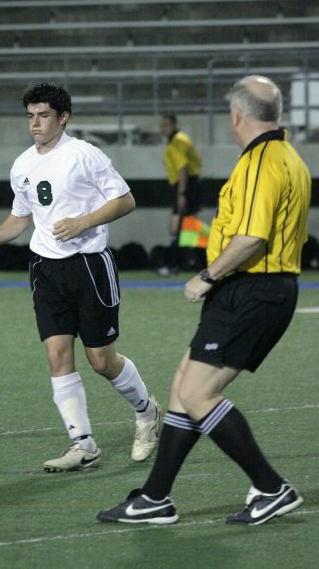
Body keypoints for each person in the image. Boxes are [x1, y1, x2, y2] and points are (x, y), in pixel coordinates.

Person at [97, 75, 311, 525]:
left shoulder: (261, 161)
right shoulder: (288, 155)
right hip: (257, 289)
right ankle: (156, 498)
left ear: (237, 116)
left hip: (252, 289)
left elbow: (251, 237)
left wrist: (207, 276)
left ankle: (272, 488)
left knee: (197, 393)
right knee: (182, 389)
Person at [0, 82, 162, 472]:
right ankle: (84, 444)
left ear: (63, 117)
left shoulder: (84, 156)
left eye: (43, 116)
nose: (35, 124)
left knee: (101, 361)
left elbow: (126, 200)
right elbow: (21, 217)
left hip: (90, 266)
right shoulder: (22, 164)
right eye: (30, 116)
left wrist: (83, 222)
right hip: (45, 268)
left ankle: (147, 412)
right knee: (57, 355)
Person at [158, 112, 202, 274]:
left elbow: (182, 169)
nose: (163, 129)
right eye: (161, 126)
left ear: (175, 125)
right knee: (187, 224)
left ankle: (174, 264)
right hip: (188, 185)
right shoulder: (180, 140)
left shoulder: (177, 142)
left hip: (186, 185)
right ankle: (190, 261)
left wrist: (182, 193)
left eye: (166, 125)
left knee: (177, 224)